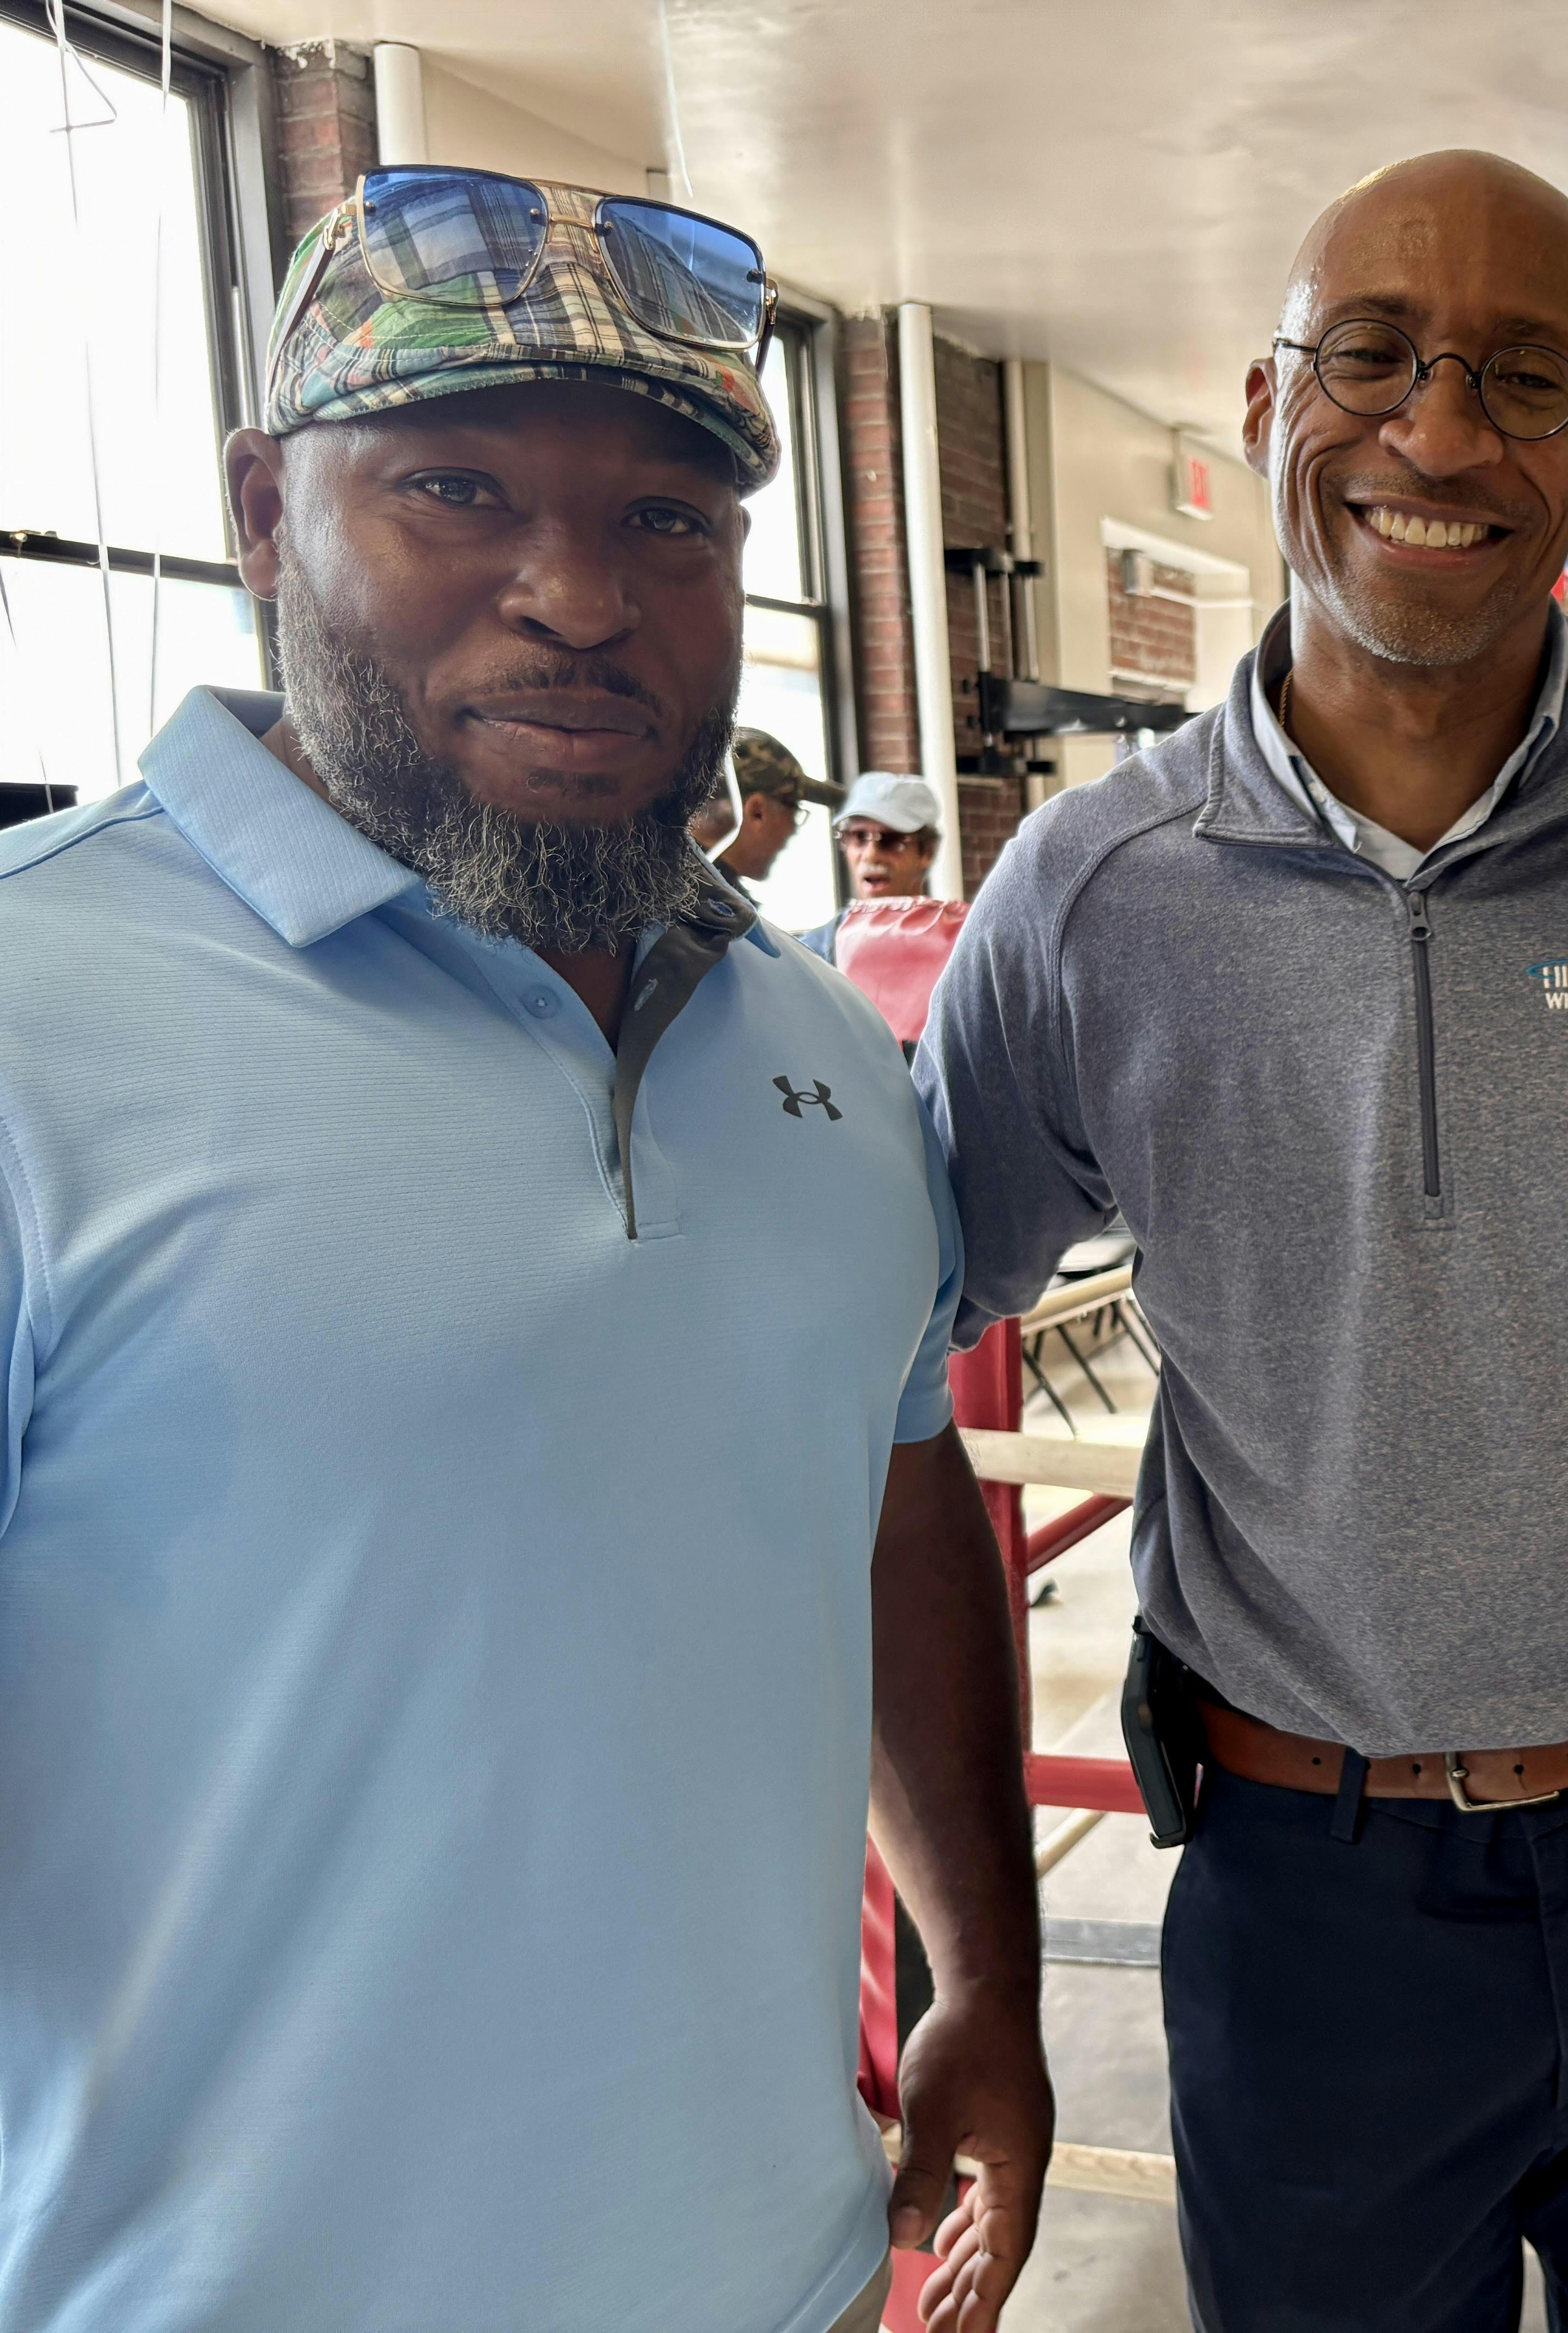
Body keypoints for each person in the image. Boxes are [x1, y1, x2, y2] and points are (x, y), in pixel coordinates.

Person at [914, 150, 1568, 2329]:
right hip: (1319, 1880)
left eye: (1518, 377)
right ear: (1260, 405)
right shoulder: (1095, 900)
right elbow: (885, 1324)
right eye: (1371, 356)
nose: (1435, 430)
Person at [0, 172, 1050, 2333]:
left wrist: (984, 1985)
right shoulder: (36, 1028)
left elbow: (893, 1485)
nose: (579, 596)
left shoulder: (820, 1060)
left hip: (780, 2273)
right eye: (457, 488)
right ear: (261, 507)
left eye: (673, 519)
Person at [801, 769, 942, 961]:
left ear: (928, 852)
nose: (871, 855)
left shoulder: (955, 947)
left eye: (891, 840)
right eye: (859, 837)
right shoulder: (813, 954)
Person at [692, 724, 833, 888]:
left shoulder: (668, 885)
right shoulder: (718, 906)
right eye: (794, 810)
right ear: (757, 812)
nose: (794, 829)